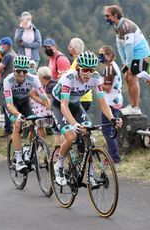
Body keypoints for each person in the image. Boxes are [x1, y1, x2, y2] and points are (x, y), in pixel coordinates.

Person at [51, 51, 122, 185]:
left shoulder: (95, 77)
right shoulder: (69, 78)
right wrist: (74, 124)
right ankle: (58, 165)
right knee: (71, 136)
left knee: (88, 134)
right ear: (78, 68)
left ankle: (89, 173)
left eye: (91, 70)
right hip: (59, 106)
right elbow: (64, 106)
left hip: (76, 106)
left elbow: (102, 101)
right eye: (85, 70)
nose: (88, 73)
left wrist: (112, 118)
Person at [3, 55, 50, 171]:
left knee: (33, 123)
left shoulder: (33, 78)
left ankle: (29, 151)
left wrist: (51, 110)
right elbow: (9, 104)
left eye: (24, 71)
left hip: (24, 102)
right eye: (19, 71)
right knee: (17, 125)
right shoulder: (8, 80)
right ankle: (18, 159)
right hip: (12, 103)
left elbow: (44, 97)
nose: (22, 75)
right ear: (14, 70)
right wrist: (18, 115)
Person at [103, 4, 150, 115]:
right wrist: (125, 62)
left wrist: (129, 63)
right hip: (133, 55)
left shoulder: (126, 26)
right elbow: (120, 45)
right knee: (127, 78)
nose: (106, 19)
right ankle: (132, 104)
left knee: (132, 78)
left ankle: (136, 107)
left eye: (107, 16)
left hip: (141, 54)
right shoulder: (116, 26)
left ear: (115, 16)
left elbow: (129, 47)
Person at [98, 45, 123, 163]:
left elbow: (107, 88)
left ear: (110, 55)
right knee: (112, 129)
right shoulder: (115, 66)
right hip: (116, 99)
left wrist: (97, 83)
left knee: (107, 130)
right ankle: (114, 153)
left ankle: (114, 156)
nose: (100, 57)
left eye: (102, 54)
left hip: (110, 102)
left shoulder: (109, 69)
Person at [0, 37, 17, 137]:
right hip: (13, 83)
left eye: (2, 45)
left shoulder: (7, 56)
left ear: (6, 45)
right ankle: (12, 127)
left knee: (5, 106)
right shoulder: (14, 54)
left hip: (5, 83)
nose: (0, 47)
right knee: (11, 105)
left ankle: (8, 129)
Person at [67, 37, 92, 112]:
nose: (68, 48)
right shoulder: (83, 60)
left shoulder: (76, 62)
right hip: (87, 98)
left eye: (69, 46)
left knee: (75, 122)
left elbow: (72, 80)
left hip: (79, 99)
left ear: (73, 49)